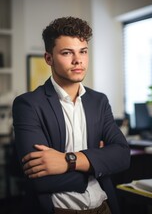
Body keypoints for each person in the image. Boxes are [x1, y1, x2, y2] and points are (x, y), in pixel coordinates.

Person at [12, 16, 130, 214]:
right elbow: (40, 179)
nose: (78, 60)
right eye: (67, 53)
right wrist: (97, 166)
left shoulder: (99, 101)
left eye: (83, 51)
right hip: (59, 210)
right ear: (49, 58)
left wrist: (68, 161)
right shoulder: (28, 104)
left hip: (104, 207)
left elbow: (123, 156)